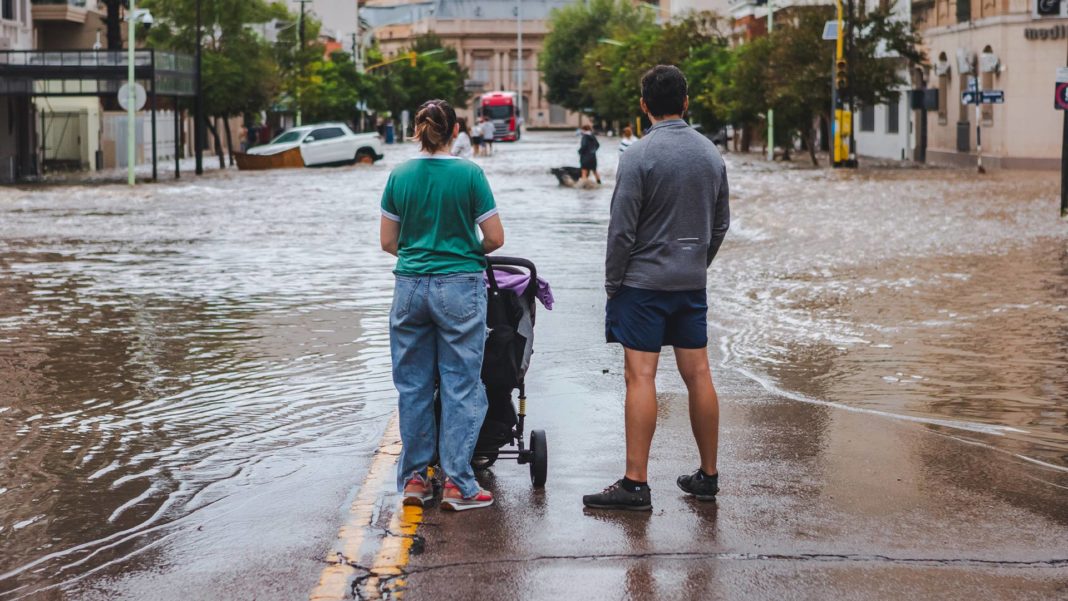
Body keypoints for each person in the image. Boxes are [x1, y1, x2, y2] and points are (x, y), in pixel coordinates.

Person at [583, 65, 730, 511]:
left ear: (644, 106)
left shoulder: (637, 156)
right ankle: (707, 477)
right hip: (690, 283)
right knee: (699, 375)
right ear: (686, 102)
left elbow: (621, 232)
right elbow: (720, 225)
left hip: (643, 285)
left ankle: (636, 484)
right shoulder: (710, 154)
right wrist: (695, 263)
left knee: (641, 377)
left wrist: (613, 284)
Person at [380, 99, 506, 512]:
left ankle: (416, 480)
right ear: (455, 131)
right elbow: (495, 238)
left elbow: (388, 243)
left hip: (410, 287)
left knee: (414, 385)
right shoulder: (470, 174)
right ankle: (458, 483)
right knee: (461, 385)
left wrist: (420, 251)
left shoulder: (399, 175)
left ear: (417, 131)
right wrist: (467, 248)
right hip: (460, 289)